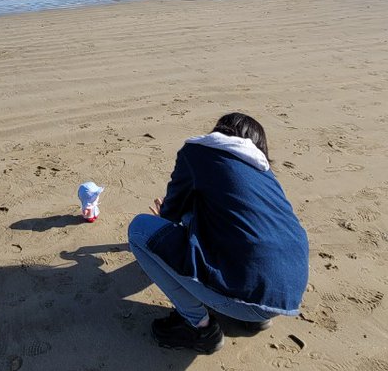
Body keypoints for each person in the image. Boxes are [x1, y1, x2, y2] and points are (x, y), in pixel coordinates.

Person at [128, 113, 309, 354]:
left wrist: (166, 216)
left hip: (251, 292)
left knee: (140, 230)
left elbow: (172, 210)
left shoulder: (198, 151)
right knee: (205, 219)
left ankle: (198, 328)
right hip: (287, 294)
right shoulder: (263, 173)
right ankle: (254, 317)